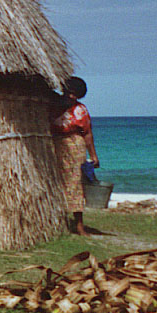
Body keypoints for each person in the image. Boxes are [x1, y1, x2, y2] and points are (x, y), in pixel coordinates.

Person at [51, 75, 100, 235]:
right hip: (55, 146)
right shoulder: (51, 105)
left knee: (75, 184)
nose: (71, 97)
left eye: (75, 94)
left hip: (74, 147)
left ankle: (79, 225)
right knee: (56, 182)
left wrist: (93, 155)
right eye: (69, 92)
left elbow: (87, 133)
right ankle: (58, 221)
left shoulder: (80, 110)